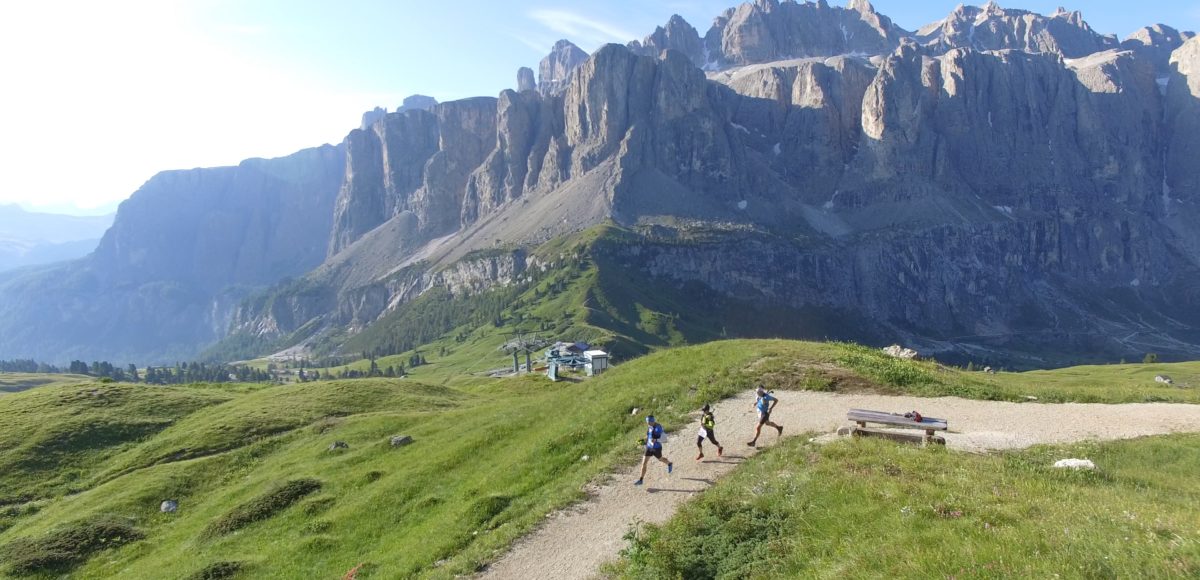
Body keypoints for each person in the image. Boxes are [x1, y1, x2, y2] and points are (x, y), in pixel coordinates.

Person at [635, 415, 672, 486]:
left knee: (660, 459)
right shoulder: (650, 426)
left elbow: (663, 438)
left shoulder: (658, 428)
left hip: (656, 448)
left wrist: (655, 439)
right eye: (647, 422)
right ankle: (641, 480)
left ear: (652, 421)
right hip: (649, 447)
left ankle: (669, 463)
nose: (647, 423)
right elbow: (648, 436)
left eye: (648, 422)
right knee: (644, 463)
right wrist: (643, 440)